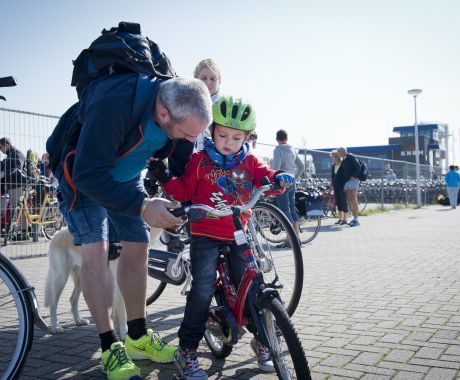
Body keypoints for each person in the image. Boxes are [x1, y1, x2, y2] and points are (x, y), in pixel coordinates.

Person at [51, 74, 212, 380]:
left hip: (126, 175)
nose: (190, 141)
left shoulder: (183, 117)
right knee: (96, 251)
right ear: (163, 114)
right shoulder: (114, 105)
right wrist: (141, 206)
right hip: (83, 176)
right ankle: (110, 346)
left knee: (138, 245)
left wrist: (182, 203)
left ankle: (137, 337)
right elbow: (88, 174)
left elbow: (180, 167)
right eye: (187, 134)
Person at [148, 96, 295, 380]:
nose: (228, 141)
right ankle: (187, 351)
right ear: (212, 131)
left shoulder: (250, 162)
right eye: (222, 134)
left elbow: (266, 179)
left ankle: (264, 340)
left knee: (251, 286)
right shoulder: (199, 161)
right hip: (205, 234)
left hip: (237, 233)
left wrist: (278, 178)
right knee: (202, 289)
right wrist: (164, 177)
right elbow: (182, 190)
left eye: (236, 137)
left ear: (247, 138)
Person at [271, 129, 304, 239]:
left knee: (284, 211)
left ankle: (290, 240)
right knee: (292, 209)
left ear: (277, 139)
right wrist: (295, 177)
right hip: (292, 182)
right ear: (287, 138)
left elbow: (276, 168)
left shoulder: (278, 150)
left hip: (282, 183)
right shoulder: (292, 149)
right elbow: (302, 166)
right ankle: (296, 238)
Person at [0, 137, 29, 240]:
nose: (0, 150)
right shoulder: (9, 156)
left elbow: (18, 168)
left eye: (1, 147)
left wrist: (4, 173)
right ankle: (24, 232)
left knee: (17, 209)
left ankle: (23, 232)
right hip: (13, 185)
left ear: (7, 144)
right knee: (19, 209)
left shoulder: (16, 153)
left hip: (19, 184)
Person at [193, 58, 222, 152]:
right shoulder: (185, 102)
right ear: (195, 79)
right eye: (203, 78)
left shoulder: (224, 107)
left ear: (219, 82)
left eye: (213, 79)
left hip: (213, 160)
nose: (208, 82)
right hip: (187, 158)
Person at [336, 147, 361, 227]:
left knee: (354, 199)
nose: (337, 154)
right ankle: (354, 218)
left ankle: (356, 220)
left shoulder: (350, 157)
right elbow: (342, 173)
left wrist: (353, 176)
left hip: (353, 180)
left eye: (338, 152)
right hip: (347, 182)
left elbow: (358, 167)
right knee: (350, 200)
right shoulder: (343, 160)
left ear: (342, 152)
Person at [330, 150, 348, 225]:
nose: (331, 158)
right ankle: (340, 219)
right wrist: (331, 185)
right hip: (336, 186)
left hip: (342, 186)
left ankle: (345, 219)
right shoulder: (333, 166)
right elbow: (332, 176)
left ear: (336, 157)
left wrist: (345, 186)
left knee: (344, 202)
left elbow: (346, 176)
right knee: (338, 202)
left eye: (332, 157)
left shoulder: (343, 165)